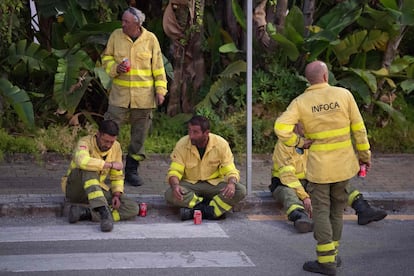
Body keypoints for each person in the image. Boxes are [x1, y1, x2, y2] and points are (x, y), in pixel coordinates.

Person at [274, 60, 372, 275]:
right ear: (326, 76)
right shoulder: (344, 95)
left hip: (319, 169)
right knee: (337, 210)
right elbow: (359, 129)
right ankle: (333, 256)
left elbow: (280, 128)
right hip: (344, 166)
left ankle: (326, 261)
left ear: (308, 80)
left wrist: (299, 143)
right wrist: (365, 156)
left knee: (321, 212)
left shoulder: (301, 102)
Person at [269, 124, 387, 234]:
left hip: (310, 181)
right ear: (295, 126)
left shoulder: (314, 140)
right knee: (288, 194)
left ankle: (363, 209)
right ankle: (300, 217)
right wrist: (305, 197)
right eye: (303, 125)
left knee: (339, 182)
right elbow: (288, 177)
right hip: (284, 183)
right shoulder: (284, 144)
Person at [102, 7, 168, 187]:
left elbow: (159, 68)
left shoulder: (151, 39)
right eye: (122, 21)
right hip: (119, 97)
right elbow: (106, 58)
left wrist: (160, 91)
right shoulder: (116, 36)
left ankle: (132, 170)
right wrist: (116, 68)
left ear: (137, 24)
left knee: (139, 136)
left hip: (144, 99)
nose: (122, 24)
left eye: (126, 22)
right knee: (108, 130)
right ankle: (104, 167)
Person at [62, 120, 139, 232]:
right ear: (98, 134)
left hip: (94, 191)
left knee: (132, 207)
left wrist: (116, 195)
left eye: (111, 142)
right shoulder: (84, 142)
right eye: (105, 141)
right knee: (90, 169)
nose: (108, 145)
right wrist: (109, 165)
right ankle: (104, 212)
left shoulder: (116, 147)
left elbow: (117, 175)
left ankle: (86, 213)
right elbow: (81, 161)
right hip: (75, 188)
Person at [164, 115, 247, 220]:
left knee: (240, 190)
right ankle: (211, 211)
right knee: (170, 193)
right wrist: (175, 186)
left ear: (206, 133)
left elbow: (230, 169)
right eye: (189, 131)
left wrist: (231, 183)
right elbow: (175, 171)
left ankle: (194, 212)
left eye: (195, 132)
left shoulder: (221, 144)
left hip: (215, 184)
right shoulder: (182, 144)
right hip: (190, 184)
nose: (191, 136)